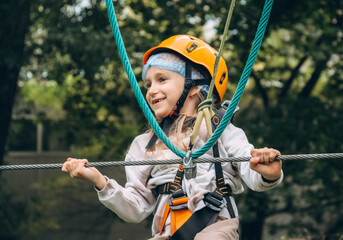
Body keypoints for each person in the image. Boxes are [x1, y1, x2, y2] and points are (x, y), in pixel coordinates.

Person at [62, 35, 283, 240]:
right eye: (148, 84)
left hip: (215, 228)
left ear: (195, 85)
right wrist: (99, 181)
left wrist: (267, 171)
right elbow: (136, 208)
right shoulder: (145, 145)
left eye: (162, 79)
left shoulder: (221, 131)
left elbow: (250, 166)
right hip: (169, 231)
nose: (151, 90)